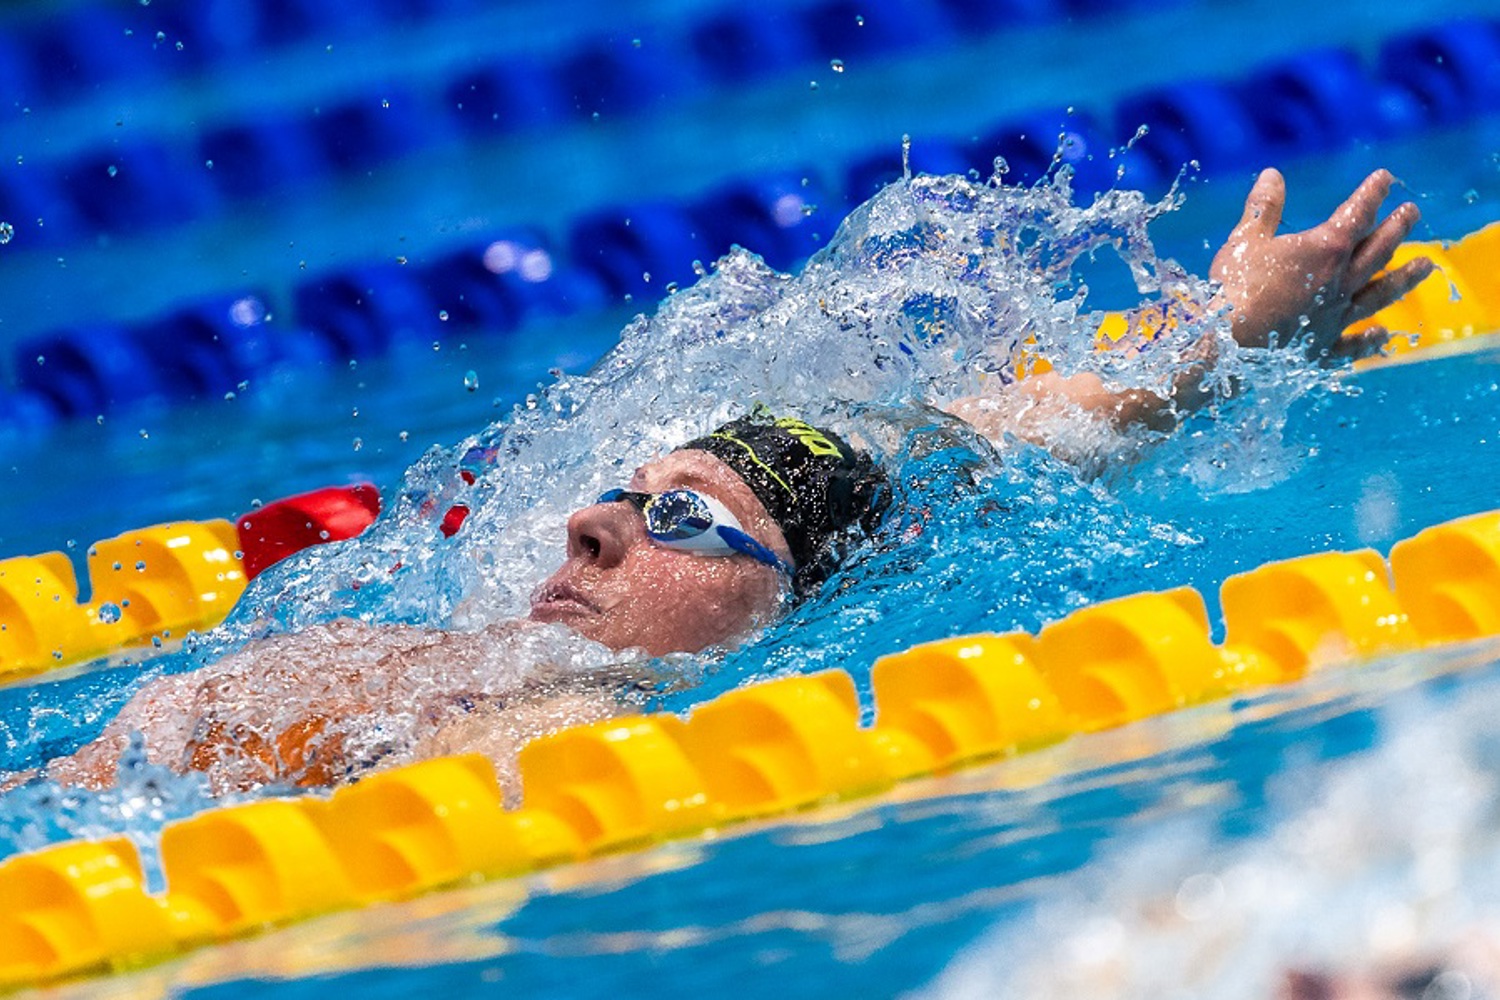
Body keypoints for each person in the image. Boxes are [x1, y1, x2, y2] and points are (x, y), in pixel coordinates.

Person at [33, 166, 1435, 799]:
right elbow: (980, 431)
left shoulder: (561, 765)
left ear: (795, 613)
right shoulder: (361, 659)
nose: (591, 523)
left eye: (686, 521)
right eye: (624, 493)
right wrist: (1220, 341)